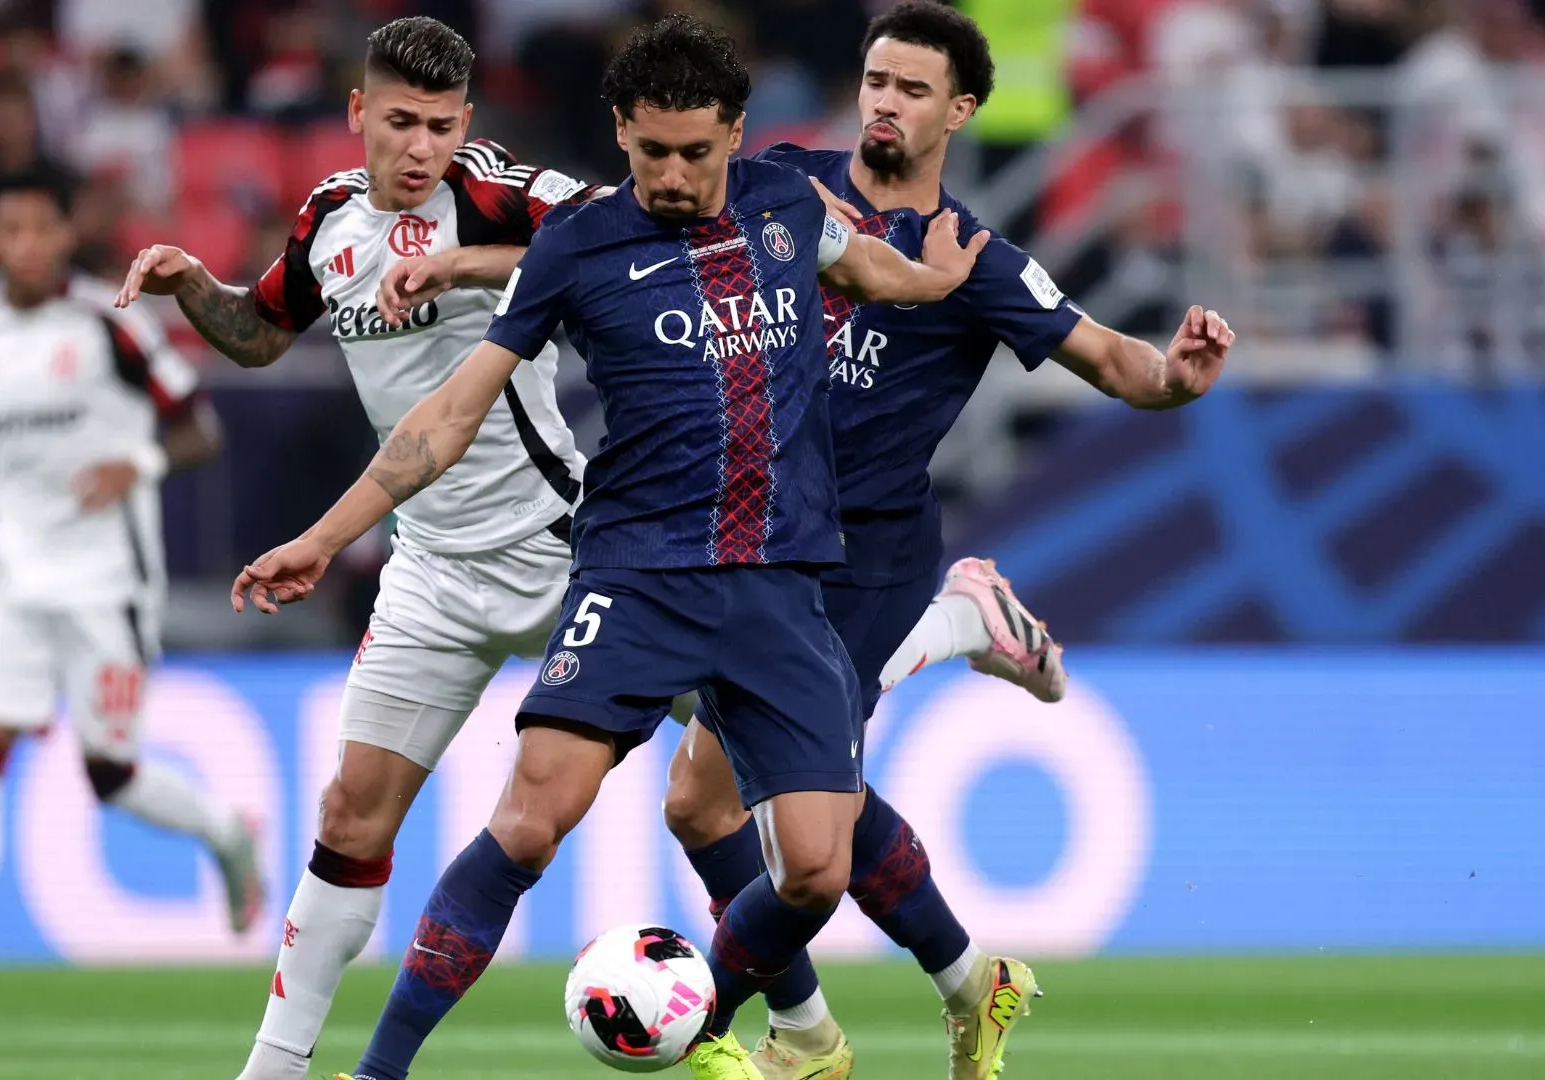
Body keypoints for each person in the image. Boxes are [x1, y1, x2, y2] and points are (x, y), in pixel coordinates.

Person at [230, 14, 994, 1080]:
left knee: (814, 872)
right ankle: (379, 1071)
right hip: (635, 579)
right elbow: (448, 415)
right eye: (651, 152)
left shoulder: (783, 203)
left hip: (777, 585)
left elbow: (861, 268)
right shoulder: (576, 246)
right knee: (528, 822)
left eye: (695, 152)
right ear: (622, 132)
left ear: (736, 133)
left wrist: (934, 283)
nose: (672, 177)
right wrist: (324, 538)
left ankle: (749, 1008)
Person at [660, 6, 1234, 1078]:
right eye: (877, 80)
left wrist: (1174, 376)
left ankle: (711, 1021)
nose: (885, 102)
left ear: (959, 111)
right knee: (704, 804)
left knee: (803, 826)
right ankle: (959, 985)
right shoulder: (781, 183)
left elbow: (1112, 360)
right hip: (754, 537)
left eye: (914, 89)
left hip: (863, 565)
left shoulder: (976, 261)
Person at [113, 17, 605, 1080]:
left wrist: (469, 264)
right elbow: (260, 334)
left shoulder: (495, 192)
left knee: (745, 756)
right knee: (349, 813)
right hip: (428, 564)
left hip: (565, 551)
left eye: (441, 125)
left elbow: (633, 234)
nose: (420, 148)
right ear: (357, 113)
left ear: (465, 123)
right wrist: (193, 284)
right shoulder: (329, 218)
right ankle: (274, 1070)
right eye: (399, 122)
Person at [0, 169, 256, 1032]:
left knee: (110, 774)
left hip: (104, 581)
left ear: (65, 236)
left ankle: (226, 831)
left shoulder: (111, 323)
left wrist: (138, 464)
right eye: (8, 230)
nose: (26, 246)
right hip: (8, 575)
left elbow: (201, 429)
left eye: (41, 228)